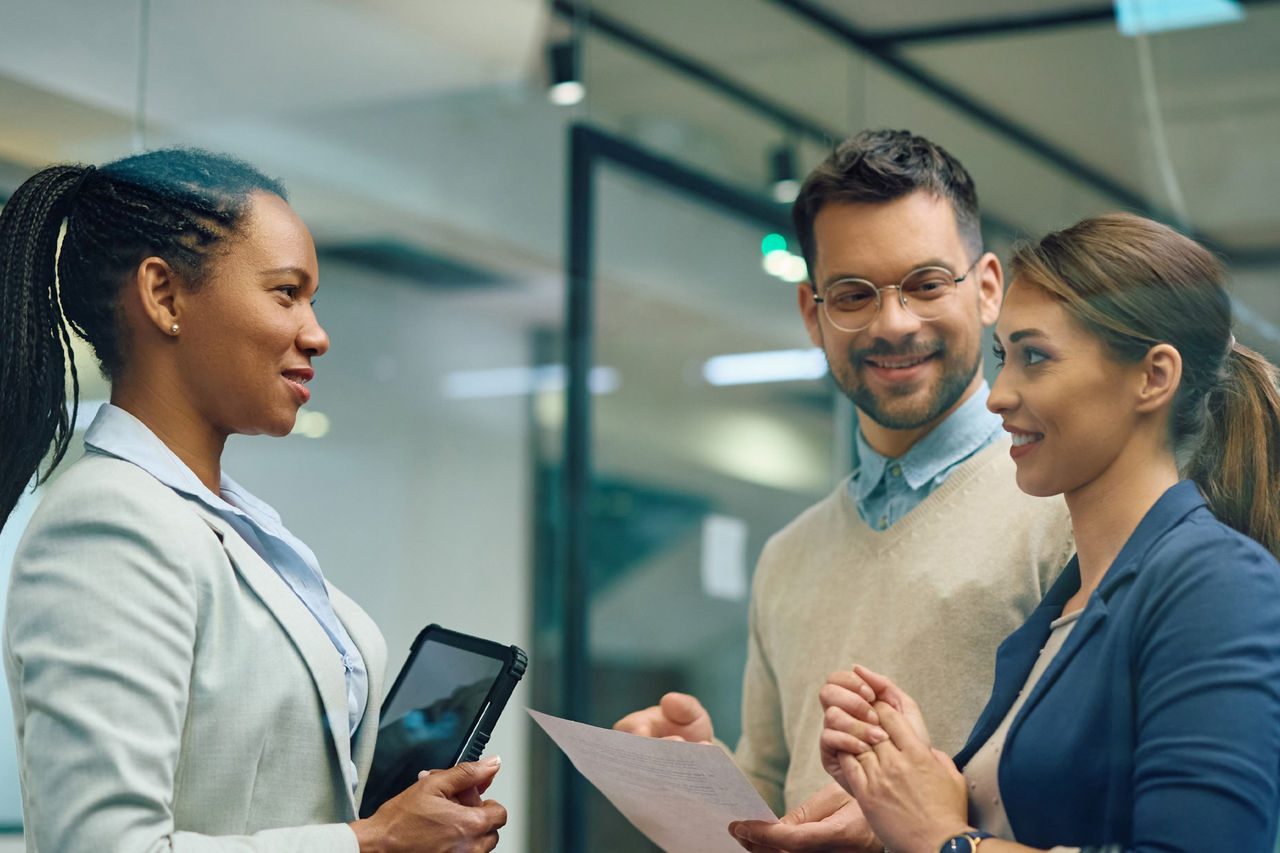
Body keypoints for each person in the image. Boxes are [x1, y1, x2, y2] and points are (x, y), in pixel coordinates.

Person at [0, 149, 508, 852]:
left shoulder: (226, 523)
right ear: (165, 296)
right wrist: (372, 842)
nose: (317, 333)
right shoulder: (106, 524)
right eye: (285, 292)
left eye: (313, 299)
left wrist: (408, 823)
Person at [614, 129, 1074, 850]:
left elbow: (1097, 798)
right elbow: (768, 807)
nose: (894, 323)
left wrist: (907, 828)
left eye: (926, 284)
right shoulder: (786, 559)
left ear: (987, 289)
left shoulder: (1067, 513)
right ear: (812, 313)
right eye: (854, 295)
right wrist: (698, 783)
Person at [819, 213, 1280, 853]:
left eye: (1035, 357)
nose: (998, 394)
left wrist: (945, 840)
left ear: (1153, 377)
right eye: (1004, 355)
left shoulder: (1219, 583)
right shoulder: (1061, 611)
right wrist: (895, 811)